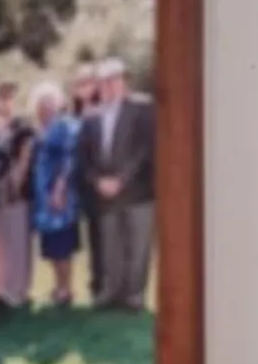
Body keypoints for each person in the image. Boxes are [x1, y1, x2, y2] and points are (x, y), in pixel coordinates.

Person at [84, 59, 160, 311]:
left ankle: (134, 295)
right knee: (111, 246)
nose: (109, 85)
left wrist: (121, 180)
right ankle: (111, 292)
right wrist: (98, 181)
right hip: (105, 193)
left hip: (138, 191)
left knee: (138, 245)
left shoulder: (143, 107)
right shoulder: (91, 115)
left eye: (114, 79)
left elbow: (145, 149)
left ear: (123, 81)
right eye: (104, 81)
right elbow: (83, 157)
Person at [28, 84, 84, 308]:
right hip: (43, 197)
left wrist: (60, 188)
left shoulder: (65, 125)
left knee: (63, 242)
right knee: (51, 244)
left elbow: (70, 158)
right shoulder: (40, 128)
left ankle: (66, 288)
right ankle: (57, 286)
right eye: (42, 104)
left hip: (59, 193)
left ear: (59, 103)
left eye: (50, 102)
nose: (46, 107)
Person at [0, 81, 37, 312]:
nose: (5, 101)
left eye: (9, 97)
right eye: (1, 97)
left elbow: (26, 153)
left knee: (18, 239)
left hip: (16, 188)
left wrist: (17, 179)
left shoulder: (23, 124)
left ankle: (19, 291)